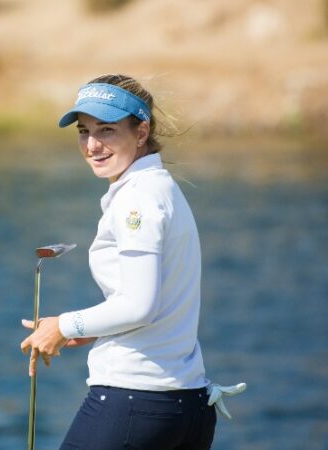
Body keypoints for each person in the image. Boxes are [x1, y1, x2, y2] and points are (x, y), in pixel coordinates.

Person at [21, 74, 226, 449]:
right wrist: (92, 328)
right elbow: (151, 304)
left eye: (107, 130)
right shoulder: (161, 188)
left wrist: (64, 325)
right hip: (187, 407)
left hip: (134, 402)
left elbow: (138, 305)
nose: (93, 145)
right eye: (84, 131)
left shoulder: (137, 200)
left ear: (141, 131)